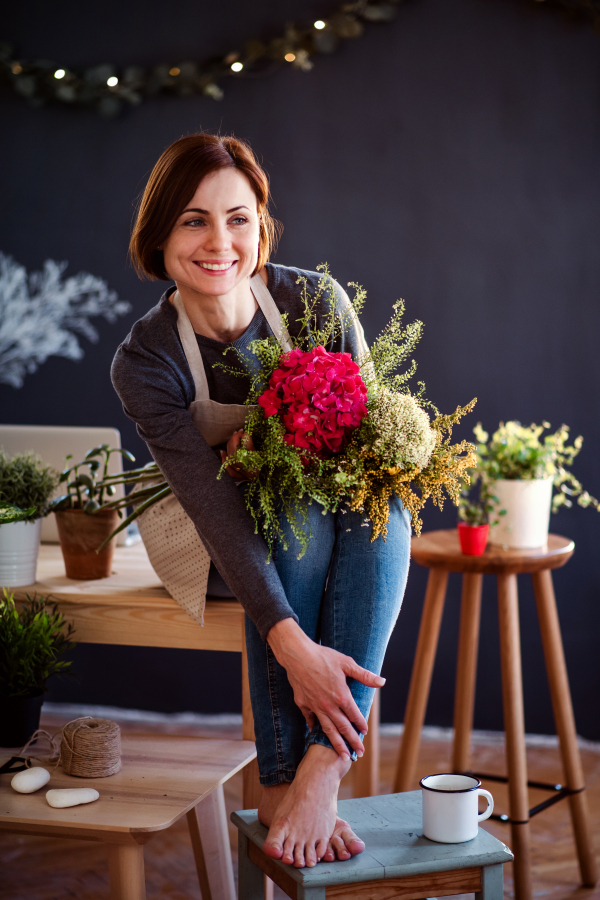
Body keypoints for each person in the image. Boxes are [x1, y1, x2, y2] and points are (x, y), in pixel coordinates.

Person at [111, 133, 411, 869]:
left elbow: (371, 460)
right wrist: (291, 641)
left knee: (382, 507)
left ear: (262, 227)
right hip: (204, 535)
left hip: (318, 519)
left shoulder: (313, 302)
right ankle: (290, 781)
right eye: (193, 220)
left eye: (238, 218)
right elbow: (213, 511)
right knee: (295, 518)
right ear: (159, 235)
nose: (220, 242)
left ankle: (312, 773)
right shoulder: (146, 359)